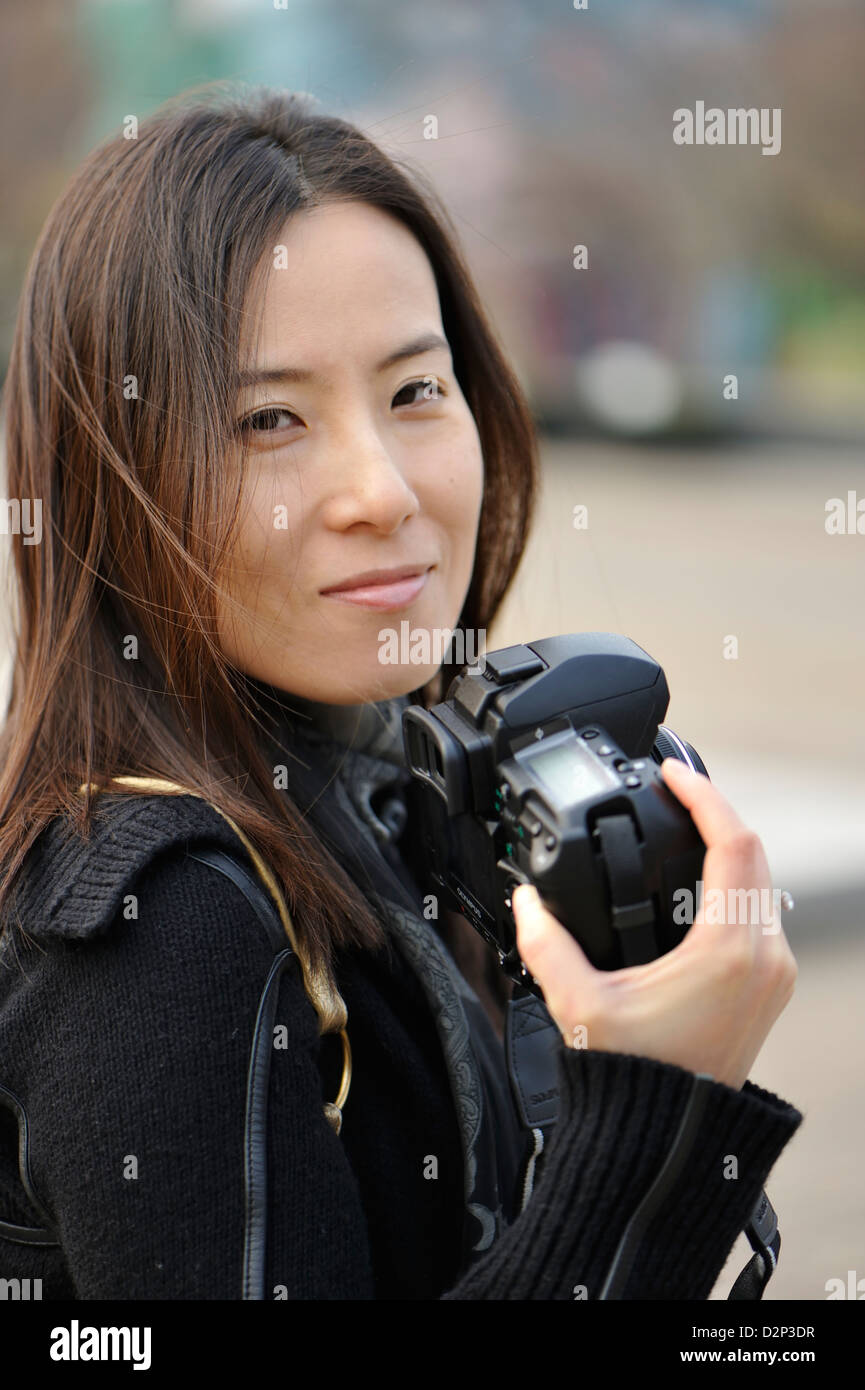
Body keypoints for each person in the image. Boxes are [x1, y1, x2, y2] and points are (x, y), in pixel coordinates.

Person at [0, 85, 801, 1301]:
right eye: (268, 417)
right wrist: (656, 1107)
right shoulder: (158, 937)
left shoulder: (393, 787)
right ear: (113, 475)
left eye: (415, 391)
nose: (379, 488)